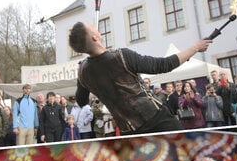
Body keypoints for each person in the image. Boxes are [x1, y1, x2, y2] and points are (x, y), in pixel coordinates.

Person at [69, 21, 212, 134]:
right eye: (91, 27)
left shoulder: (83, 71)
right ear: (95, 38)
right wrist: (195, 47)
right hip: (158, 122)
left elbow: (81, 101)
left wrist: (86, 80)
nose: (94, 26)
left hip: (129, 130)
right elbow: (164, 65)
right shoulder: (122, 56)